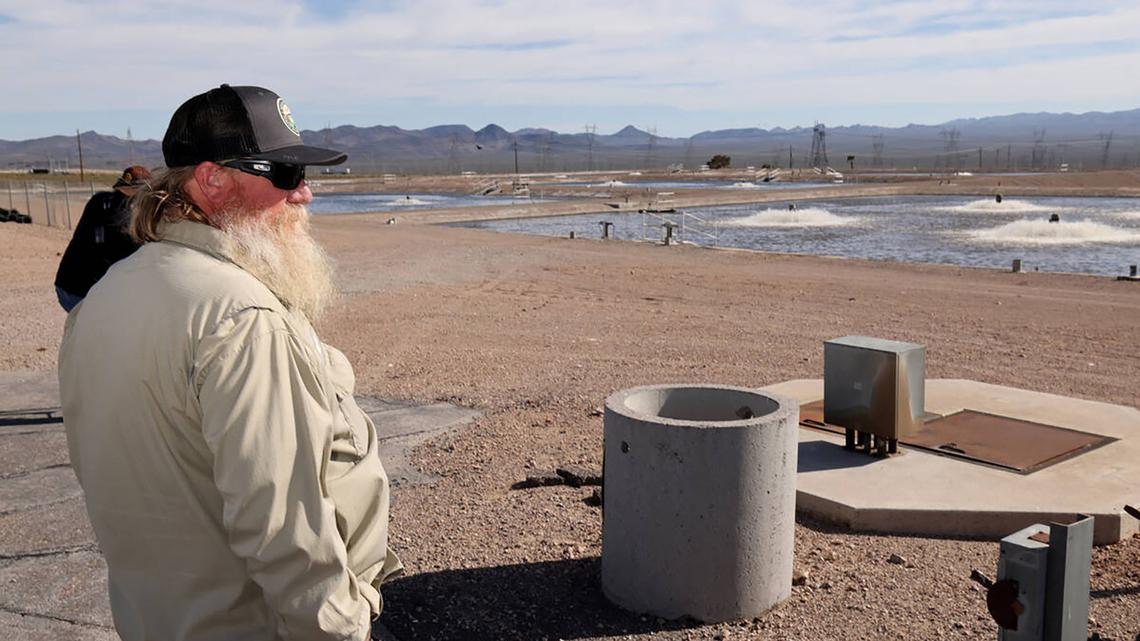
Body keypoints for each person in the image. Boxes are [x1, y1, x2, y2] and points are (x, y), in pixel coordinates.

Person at [58, 84, 402, 641]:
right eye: (286, 174)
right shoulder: (240, 317)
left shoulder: (107, 294)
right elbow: (284, 529)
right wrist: (342, 629)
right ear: (214, 178)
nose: (305, 194)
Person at [53, 165, 151, 311]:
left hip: (66, 285)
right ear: (137, 191)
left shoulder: (98, 201)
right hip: (87, 292)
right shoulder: (124, 221)